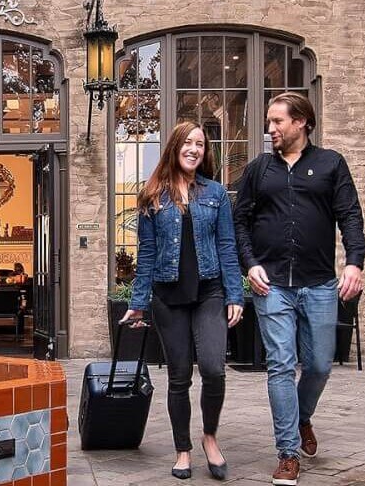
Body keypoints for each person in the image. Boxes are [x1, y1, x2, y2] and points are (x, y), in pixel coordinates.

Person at [234, 92, 365, 485]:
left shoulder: (331, 164)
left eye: (277, 122)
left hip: (320, 283)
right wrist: (250, 264)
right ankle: (288, 451)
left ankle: (302, 416)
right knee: (279, 365)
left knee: (320, 365)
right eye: (269, 122)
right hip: (272, 284)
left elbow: (351, 217)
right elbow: (239, 222)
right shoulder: (259, 170)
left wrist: (355, 263)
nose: (270, 129)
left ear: (301, 123)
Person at [122, 121, 245, 480]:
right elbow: (146, 253)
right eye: (188, 143)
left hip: (210, 291)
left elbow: (226, 245)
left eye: (201, 145)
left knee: (213, 369)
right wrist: (138, 301)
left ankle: (209, 436)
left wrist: (235, 293)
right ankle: (183, 450)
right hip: (168, 295)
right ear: (175, 147)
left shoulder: (215, 193)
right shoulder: (153, 195)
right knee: (178, 377)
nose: (194, 149)